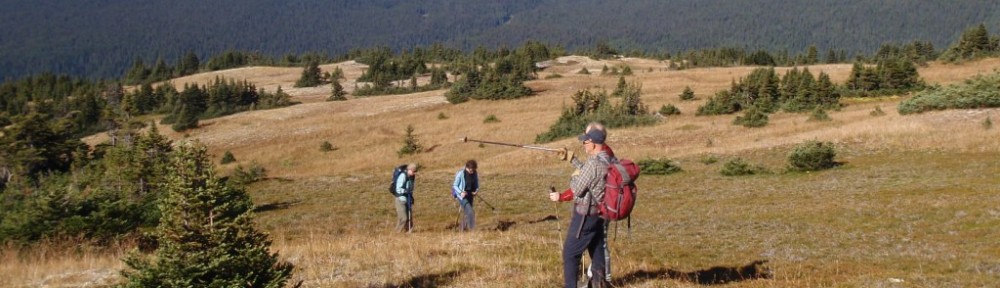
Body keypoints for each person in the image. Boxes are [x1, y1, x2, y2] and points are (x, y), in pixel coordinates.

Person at [549, 126, 615, 288]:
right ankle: (599, 284)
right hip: (600, 214)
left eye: (586, 141)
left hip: (585, 215)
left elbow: (578, 189)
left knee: (570, 254)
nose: (584, 143)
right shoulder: (608, 158)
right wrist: (571, 159)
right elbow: (589, 174)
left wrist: (560, 195)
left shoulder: (593, 163)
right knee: (597, 250)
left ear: (593, 143)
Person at [451, 160, 479, 232]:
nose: (472, 171)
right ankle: (472, 231)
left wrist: (476, 190)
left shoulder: (475, 173)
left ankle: (462, 230)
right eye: (470, 169)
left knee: (467, 213)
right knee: (470, 212)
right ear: (467, 167)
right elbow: (455, 185)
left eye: (473, 169)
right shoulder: (461, 174)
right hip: (462, 196)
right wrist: (461, 193)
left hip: (470, 195)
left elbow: (476, 183)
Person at [394, 163, 417, 233]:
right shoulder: (403, 176)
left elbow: (411, 188)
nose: (414, 173)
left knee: (408, 218)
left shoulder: (411, 177)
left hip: (407, 199)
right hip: (400, 199)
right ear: (409, 170)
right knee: (403, 218)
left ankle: (407, 231)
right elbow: (398, 189)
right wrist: (406, 191)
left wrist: (411, 195)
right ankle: (398, 232)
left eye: (415, 171)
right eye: (413, 171)